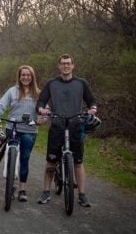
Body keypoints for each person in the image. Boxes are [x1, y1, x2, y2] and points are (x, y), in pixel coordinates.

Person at [36, 54, 97, 207]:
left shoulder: (81, 83)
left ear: (73, 66)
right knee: (51, 162)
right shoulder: (51, 83)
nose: (66, 66)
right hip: (57, 124)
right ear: (59, 66)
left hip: (76, 125)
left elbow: (91, 101)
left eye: (68, 63)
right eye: (63, 64)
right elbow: (41, 101)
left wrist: (93, 109)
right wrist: (41, 109)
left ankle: (82, 195)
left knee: (78, 162)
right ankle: (46, 191)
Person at [0, 65, 44, 202]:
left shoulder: (38, 93)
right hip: (12, 128)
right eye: (23, 75)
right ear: (19, 76)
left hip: (29, 131)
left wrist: (42, 118)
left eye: (28, 75)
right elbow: (1, 105)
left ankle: (22, 189)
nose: (25, 77)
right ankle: (10, 185)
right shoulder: (12, 91)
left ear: (32, 77)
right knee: (10, 155)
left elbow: (45, 110)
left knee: (25, 159)